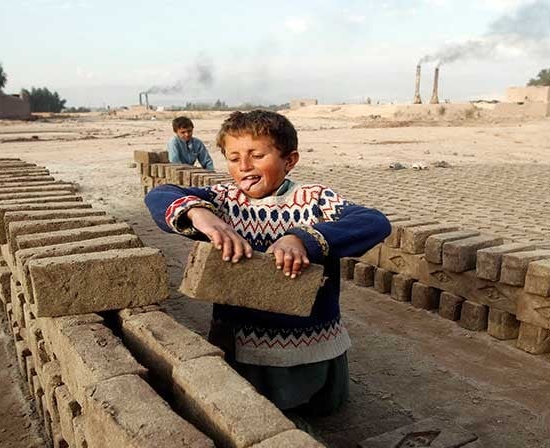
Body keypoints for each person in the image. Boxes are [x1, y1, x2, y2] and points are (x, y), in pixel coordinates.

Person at [146, 110, 390, 416]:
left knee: (323, 413)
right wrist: (199, 214)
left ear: (289, 160)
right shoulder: (223, 200)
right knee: (255, 412)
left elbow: (373, 222)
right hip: (244, 343)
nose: (244, 166)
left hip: (313, 337)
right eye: (233, 158)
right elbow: (160, 195)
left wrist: (302, 238)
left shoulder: (313, 198)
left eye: (257, 155)